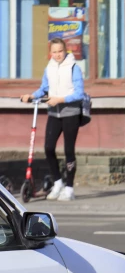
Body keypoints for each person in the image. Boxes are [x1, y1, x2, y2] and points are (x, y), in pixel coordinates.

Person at [20, 38, 85, 201]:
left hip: (71, 113)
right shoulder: (49, 68)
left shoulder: (73, 68)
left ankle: (69, 188)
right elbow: (44, 88)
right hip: (54, 114)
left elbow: (79, 93)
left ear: (65, 51)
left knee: (68, 150)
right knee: (48, 148)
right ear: (51, 52)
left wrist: (59, 99)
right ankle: (58, 183)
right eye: (54, 52)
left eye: (60, 51)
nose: (57, 55)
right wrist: (31, 96)